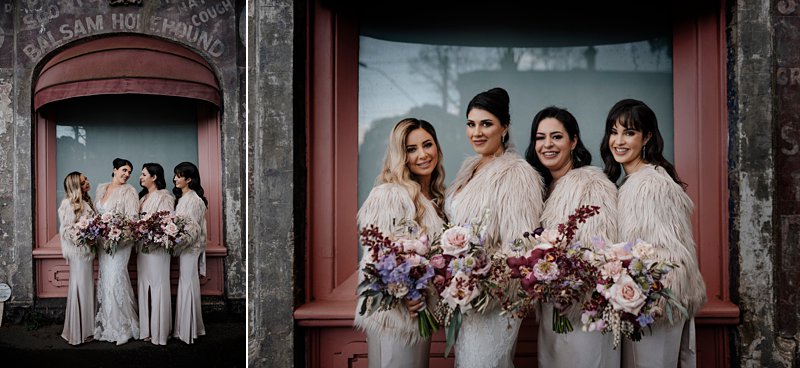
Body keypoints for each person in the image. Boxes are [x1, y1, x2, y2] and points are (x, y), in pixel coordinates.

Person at [600, 99, 706, 368]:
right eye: (614, 131)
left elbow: (669, 255)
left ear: (647, 137)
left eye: (629, 132)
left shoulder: (651, 185)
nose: (619, 141)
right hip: (637, 305)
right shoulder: (630, 183)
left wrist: (645, 297)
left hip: (656, 306)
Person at [445, 87, 544, 367]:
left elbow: (521, 247)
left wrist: (481, 278)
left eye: (486, 124)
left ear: (504, 127)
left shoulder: (516, 174)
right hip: (463, 296)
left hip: (493, 300)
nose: (477, 132)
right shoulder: (470, 169)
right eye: (471, 124)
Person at [524, 106, 620, 367]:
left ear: (573, 140)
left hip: (584, 310)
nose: (547, 145)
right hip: (551, 310)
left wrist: (572, 288)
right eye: (540, 137)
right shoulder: (542, 190)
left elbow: (600, 250)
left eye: (556, 136)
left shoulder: (591, 185)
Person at [355, 118, 447, 368]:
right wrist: (403, 292)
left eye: (427, 145)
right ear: (400, 155)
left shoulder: (437, 198)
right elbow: (377, 259)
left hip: (421, 314)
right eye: (411, 149)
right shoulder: (390, 195)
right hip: (395, 317)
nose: (423, 154)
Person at [94, 158, 140, 345]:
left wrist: (117, 234)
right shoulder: (102, 189)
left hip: (120, 243)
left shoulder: (129, 191)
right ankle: (108, 326)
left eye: (129, 172)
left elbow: (132, 220)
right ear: (114, 170)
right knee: (106, 281)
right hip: (102, 243)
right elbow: (97, 216)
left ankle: (123, 328)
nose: (126, 174)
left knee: (115, 279)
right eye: (123, 170)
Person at [137, 163, 175, 345]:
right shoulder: (142, 198)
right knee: (144, 286)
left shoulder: (164, 197)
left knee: (158, 286)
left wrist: (151, 232)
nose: (140, 177)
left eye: (144, 174)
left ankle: (160, 331)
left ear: (154, 177)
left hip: (158, 249)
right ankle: (146, 329)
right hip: (142, 249)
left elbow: (168, 223)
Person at [58, 171, 97, 345]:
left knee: (87, 287)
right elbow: (66, 230)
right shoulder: (68, 203)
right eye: (82, 182)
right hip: (78, 253)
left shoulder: (87, 202)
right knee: (80, 287)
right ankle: (77, 332)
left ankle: (88, 329)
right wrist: (84, 235)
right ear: (75, 186)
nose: (87, 182)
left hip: (87, 253)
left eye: (86, 179)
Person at [173, 161, 208, 344]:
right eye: (175, 175)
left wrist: (174, 239)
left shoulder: (194, 200)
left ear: (189, 179)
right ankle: (185, 328)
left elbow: (193, 230)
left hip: (189, 249)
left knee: (188, 284)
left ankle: (189, 330)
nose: (175, 179)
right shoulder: (183, 199)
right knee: (185, 283)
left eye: (179, 176)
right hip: (184, 249)